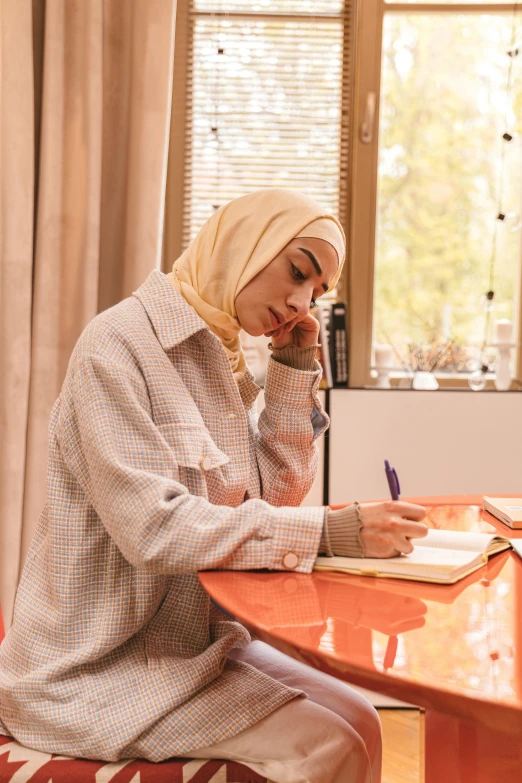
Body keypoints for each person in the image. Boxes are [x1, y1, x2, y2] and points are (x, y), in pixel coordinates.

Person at [0, 189, 428, 783]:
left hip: (187, 645)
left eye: (316, 292)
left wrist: (293, 370)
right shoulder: (116, 345)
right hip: (92, 668)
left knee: (364, 721)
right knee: (329, 746)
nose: (300, 301)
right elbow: (155, 531)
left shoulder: (218, 353)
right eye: (298, 271)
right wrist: (333, 533)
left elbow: (269, 499)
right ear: (241, 242)